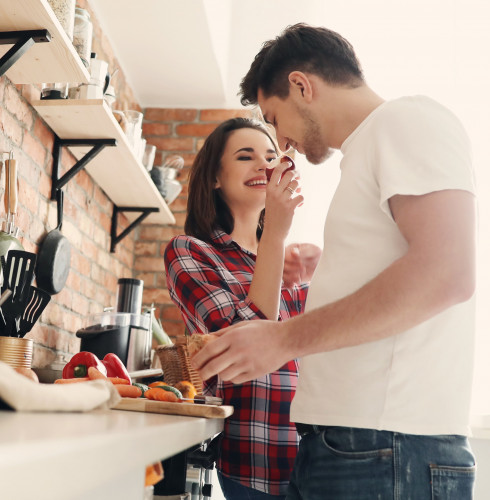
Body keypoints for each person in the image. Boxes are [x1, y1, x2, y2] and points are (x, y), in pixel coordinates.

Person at [191, 23, 477, 500]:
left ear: (302, 86)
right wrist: (329, 269)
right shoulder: (371, 148)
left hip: (385, 450)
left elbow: (447, 272)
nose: (281, 145)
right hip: (356, 447)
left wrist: (282, 338)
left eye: (274, 119)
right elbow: (408, 265)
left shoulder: (407, 121)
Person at [164, 117, 321, 499]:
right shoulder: (189, 251)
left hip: (320, 457)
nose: (264, 165)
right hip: (255, 459)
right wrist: (278, 235)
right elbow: (245, 340)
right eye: (245, 156)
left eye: (271, 156)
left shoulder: (290, 264)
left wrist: (328, 271)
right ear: (216, 178)